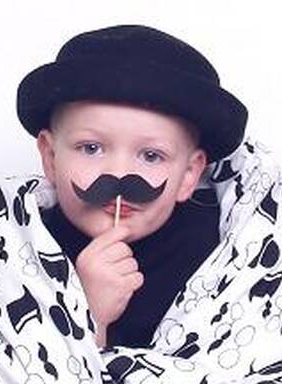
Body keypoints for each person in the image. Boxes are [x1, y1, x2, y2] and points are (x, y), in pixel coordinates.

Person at [15, 24, 249, 348]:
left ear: (189, 175)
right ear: (51, 157)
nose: (120, 175)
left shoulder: (223, 256)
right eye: (91, 148)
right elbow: (26, 369)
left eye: (151, 156)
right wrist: (89, 314)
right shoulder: (24, 248)